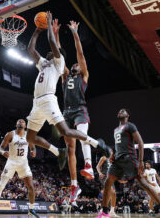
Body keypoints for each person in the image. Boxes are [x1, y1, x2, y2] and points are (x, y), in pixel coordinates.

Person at [27, 11, 110, 174]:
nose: (49, 52)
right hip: (40, 103)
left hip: (61, 103)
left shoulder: (62, 65)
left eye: (53, 51)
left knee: (71, 132)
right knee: (31, 138)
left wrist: (52, 25)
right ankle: (59, 152)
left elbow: (55, 44)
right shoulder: (46, 64)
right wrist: (38, 30)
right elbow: (31, 49)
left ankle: (94, 151)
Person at [96, 109, 160, 218]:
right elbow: (118, 146)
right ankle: (104, 212)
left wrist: (141, 161)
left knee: (144, 184)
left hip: (129, 158)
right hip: (117, 160)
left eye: (124, 111)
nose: (121, 111)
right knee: (108, 183)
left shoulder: (130, 126)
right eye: (120, 110)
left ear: (127, 115)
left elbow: (140, 143)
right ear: (118, 115)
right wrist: (113, 155)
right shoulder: (115, 130)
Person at [52, 19, 96, 205]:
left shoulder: (83, 74)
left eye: (77, 65)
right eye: (75, 65)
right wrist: (54, 35)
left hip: (80, 109)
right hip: (66, 112)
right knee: (70, 148)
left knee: (82, 135)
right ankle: (74, 185)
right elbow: (59, 53)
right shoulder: (65, 74)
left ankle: (88, 165)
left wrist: (75, 33)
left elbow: (79, 52)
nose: (75, 65)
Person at [0, 119, 40, 218]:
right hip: (11, 162)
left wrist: (33, 151)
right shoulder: (10, 134)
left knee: (31, 187)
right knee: (1, 186)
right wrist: (3, 152)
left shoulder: (28, 135)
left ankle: (31, 209)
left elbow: (33, 147)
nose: (20, 122)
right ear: (16, 124)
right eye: (19, 122)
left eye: (22, 122)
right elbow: (0, 148)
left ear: (25, 125)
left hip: (23, 163)